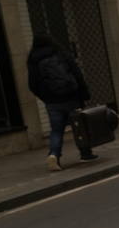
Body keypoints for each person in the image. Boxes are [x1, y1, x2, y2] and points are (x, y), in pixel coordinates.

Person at [26, 34, 96, 171]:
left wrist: (45, 97)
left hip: (52, 102)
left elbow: (32, 85)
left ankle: (54, 155)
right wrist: (84, 93)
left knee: (56, 130)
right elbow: (77, 73)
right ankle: (86, 153)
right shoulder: (61, 53)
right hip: (71, 98)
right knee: (79, 127)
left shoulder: (33, 60)